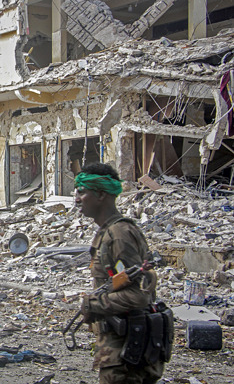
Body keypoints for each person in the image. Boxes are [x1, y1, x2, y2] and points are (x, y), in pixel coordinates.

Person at [74, 162, 164, 384]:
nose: (76, 199)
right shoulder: (107, 232)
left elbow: (139, 295)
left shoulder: (119, 235)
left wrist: (93, 304)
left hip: (127, 354)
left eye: (82, 192)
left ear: (101, 194)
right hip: (117, 349)